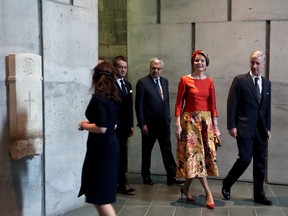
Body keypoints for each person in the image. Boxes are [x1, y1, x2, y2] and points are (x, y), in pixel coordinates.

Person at [222, 51, 272, 205]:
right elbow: (232, 104)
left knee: (260, 164)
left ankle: (259, 195)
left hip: (261, 130)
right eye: (252, 62)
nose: (255, 65)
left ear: (263, 64)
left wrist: (268, 128)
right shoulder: (240, 80)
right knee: (244, 159)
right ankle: (227, 183)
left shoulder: (267, 83)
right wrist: (231, 125)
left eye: (258, 63)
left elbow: (267, 108)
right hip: (244, 128)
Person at [175, 50, 220, 209]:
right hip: (190, 123)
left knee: (200, 158)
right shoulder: (185, 80)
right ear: (193, 63)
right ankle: (208, 192)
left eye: (202, 61)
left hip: (206, 123)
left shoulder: (210, 82)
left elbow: (213, 105)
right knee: (197, 158)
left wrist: (216, 127)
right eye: (196, 60)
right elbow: (179, 103)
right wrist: (177, 123)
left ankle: (185, 188)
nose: (199, 63)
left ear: (206, 64)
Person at [78, 62, 122, 216]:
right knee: (101, 195)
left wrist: (84, 125)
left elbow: (102, 128)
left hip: (101, 150)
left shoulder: (98, 98)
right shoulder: (114, 97)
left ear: (95, 77)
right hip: (111, 146)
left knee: (100, 197)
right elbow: (113, 124)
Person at [135, 57, 184, 186]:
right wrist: (141, 124)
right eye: (153, 68)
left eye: (158, 68)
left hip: (163, 124)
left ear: (162, 69)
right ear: (150, 68)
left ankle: (172, 176)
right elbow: (138, 105)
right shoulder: (143, 83)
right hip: (149, 125)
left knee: (167, 150)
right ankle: (146, 175)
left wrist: (168, 118)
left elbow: (166, 102)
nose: (156, 70)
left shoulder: (165, 82)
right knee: (146, 151)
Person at [113, 55, 135, 195]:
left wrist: (131, 125)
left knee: (122, 155)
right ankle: (120, 183)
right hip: (114, 126)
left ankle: (121, 183)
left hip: (124, 127)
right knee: (115, 155)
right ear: (115, 67)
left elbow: (129, 107)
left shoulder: (128, 85)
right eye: (120, 67)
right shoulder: (110, 84)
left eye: (125, 67)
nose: (123, 70)